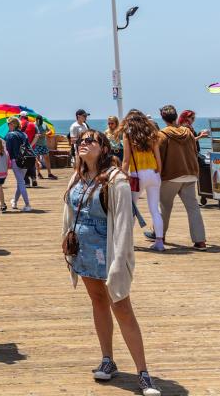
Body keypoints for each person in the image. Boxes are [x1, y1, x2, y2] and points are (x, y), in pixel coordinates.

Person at [63, 129, 160, 396]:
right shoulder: (77, 176)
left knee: (122, 307)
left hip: (107, 252)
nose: (84, 144)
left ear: (104, 148)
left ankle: (143, 373)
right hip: (83, 250)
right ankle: (108, 358)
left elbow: (124, 225)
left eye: (90, 141)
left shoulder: (116, 180)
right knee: (97, 300)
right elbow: (70, 212)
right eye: (81, 141)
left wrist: (120, 261)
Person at [157, 105, 207, 250]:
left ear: (163, 118)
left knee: (165, 207)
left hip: (171, 176)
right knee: (193, 208)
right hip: (190, 174)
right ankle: (200, 240)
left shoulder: (162, 134)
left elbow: (159, 157)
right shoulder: (188, 132)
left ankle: (160, 234)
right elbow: (195, 151)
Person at [121, 110, 165, 252]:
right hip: (154, 173)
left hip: (137, 175)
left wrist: (122, 175)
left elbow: (126, 160)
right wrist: (159, 172)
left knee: (131, 208)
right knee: (154, 209)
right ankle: (159, 242)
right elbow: (157, 156)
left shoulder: (128, 134)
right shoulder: (151, 134)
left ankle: (127, 241)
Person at [4, 116, 32, 212]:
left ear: (12, 124)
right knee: (20, 182)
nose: (8, 126)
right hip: (26, 160)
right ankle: (14, 201)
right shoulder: (24, 134)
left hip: (16, 161)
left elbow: (8, 150)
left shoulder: (10, 135)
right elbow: (29, 147)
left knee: (20, 182)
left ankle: (27, 204)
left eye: (8, 124)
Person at [22, 113, 39, 187]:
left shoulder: (20, 124)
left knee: (24, 164)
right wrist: (31, 145)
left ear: (21, 117)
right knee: (32, 163)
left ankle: (27, 182)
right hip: (32, 148)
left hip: (23, 148)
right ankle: (34, 178)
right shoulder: (33, 124)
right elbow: (37, 135)